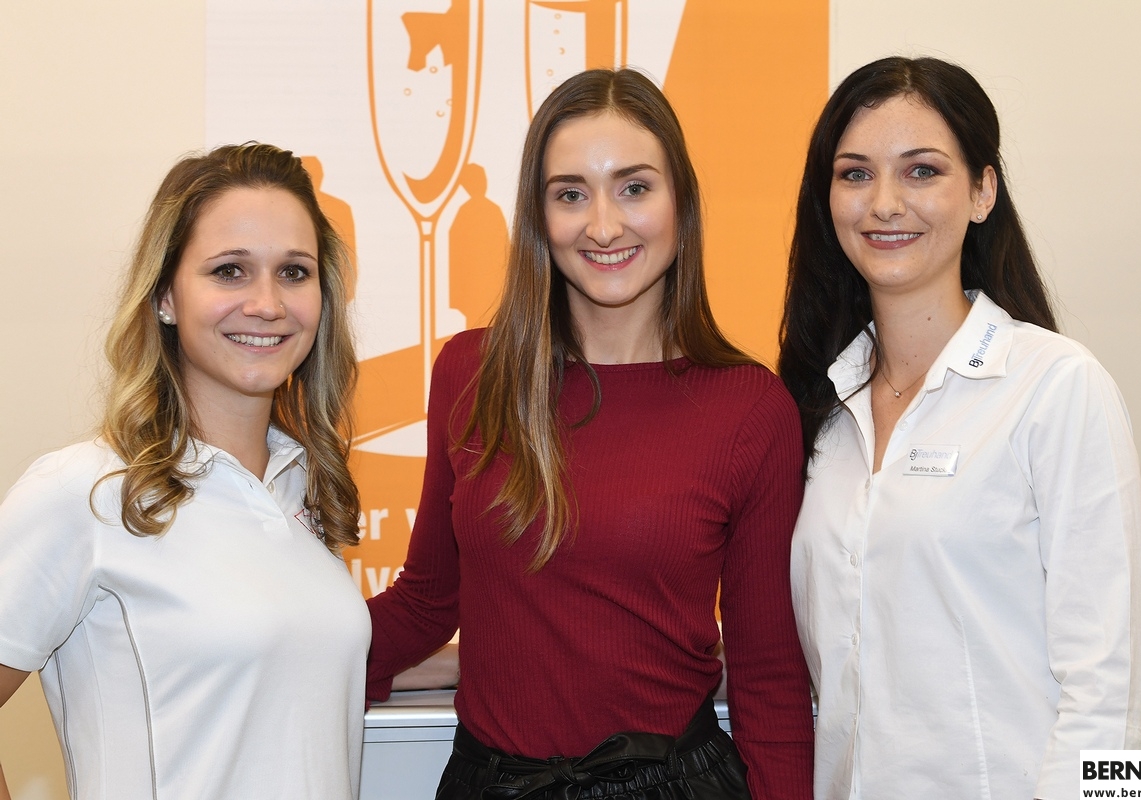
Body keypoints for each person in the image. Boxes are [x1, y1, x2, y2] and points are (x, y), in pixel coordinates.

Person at [368, 68, 814, 800]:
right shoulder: (470, 373)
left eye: (634, 188)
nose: (603, 226)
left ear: (680, 203)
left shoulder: (749, 408)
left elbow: (769, 673)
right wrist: (266, 653)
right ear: (538, 217)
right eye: (571, 194)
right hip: (488, 784)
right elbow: (425, 603)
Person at [779, 56, 1141, 800]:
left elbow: (1109, 690)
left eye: (922, 171)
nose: (885, 203)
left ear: (983, 191)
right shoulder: (816, 408)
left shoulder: (1056, 387)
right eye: (855, 174)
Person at [0, 143, 370, 800]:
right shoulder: (84, 491)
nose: (267, 303)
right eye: (230, 271)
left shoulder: (304, 484)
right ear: (166, 296)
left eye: (294, 272)